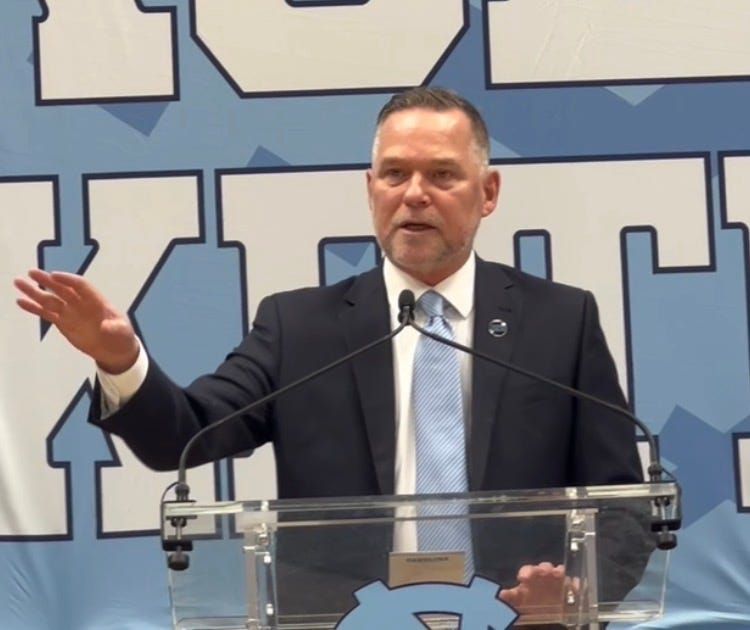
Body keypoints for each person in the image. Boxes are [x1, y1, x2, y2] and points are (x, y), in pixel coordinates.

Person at [15, 87, 645, 620]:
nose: (415, 194)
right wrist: (121, 359)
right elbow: (183, 435)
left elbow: (626, 510)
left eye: (442, 175)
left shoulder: (559, 322)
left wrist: (574, 596)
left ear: (488, 192)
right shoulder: (300, 328)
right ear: (370, 190)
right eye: (395, 174)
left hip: (514, 623)